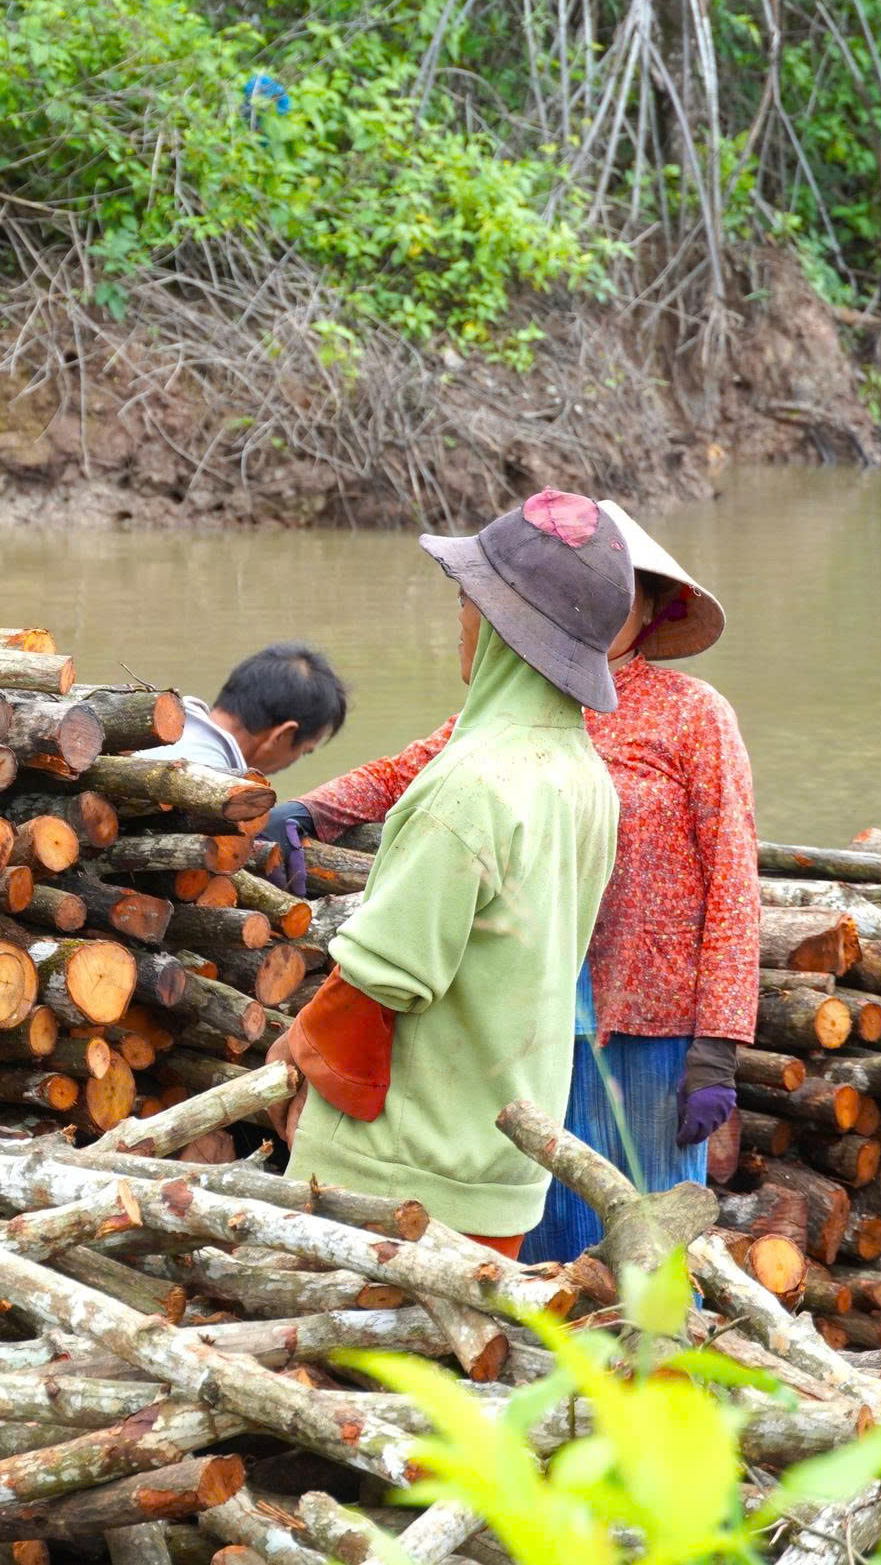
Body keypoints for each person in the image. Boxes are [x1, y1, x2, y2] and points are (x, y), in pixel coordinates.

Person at [282, 499, 755, 1262]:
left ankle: (653, 1366)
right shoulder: (516, 702)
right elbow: (413, 767)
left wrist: (719, 1043)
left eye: (625, 598)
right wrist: (309, 808)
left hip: (648, 1013)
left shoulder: (695, 715)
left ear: (650, 611)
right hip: (533, 1008)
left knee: (645, 1223)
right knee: (546, 1217)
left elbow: (734, 879)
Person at [269, 490, 627, 1255]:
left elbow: (385, 976)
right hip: (500, 1170)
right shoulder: (585, 775)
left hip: (399, 1179)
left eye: (470, 599)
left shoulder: (473, 782)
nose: (460, 615)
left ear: (504, 625)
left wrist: (298, 1045)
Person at [140, 642, 347, 897]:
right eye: (304, 750)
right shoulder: (215, 785)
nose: (295, 760)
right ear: (283, 735)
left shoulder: (161, 727)